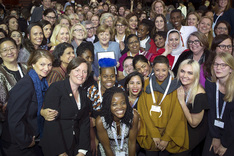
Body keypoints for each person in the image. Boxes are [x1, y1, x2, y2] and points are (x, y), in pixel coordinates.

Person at [1, 49, 53, 155]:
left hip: (31, 139)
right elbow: (14, 118)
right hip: (17, 144)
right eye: (42, 64)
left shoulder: (41, 83)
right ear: (33, 64)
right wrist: (26, 140)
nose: (46, 68)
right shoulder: (26, 85)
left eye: (49, 64)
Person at [137, 55, 189, 155]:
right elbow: (143, 111)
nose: (160, 74)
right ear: (152, 69)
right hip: (150, 134)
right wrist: (154, 134)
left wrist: (165, 138)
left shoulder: (175, 85)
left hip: (169, 136)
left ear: (169, 69)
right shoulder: (146, 84)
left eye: (164, 70)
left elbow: (177, 114)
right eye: (157, 70)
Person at [40, 57, 91, 156]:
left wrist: (82, 150)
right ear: (69, 71)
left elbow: (84, 122)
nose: (81, 74)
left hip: (75, 145)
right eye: (77, 70)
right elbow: (51, 122)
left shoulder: (83, 93)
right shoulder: (56, 88)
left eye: (84, 71)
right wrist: (61, 152)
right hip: (56, 146)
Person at [202, 52, 234, 156]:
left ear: (231, 69)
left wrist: (224, 144)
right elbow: (211, 112)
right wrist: (215, 136)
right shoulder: (210, 83)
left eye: (223, 65)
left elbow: (232, 121)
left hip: (230, 134)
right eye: (216, 64)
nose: (218, 68)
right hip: (214, 129)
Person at [177, 59, 209, 156]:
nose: (185, 76)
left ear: (196, 75)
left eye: (190, 73)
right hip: (182, 126)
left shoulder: (199, 95)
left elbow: (194, 123)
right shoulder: (180, 86)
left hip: (196, 131)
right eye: (182, 71)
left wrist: (182, 102)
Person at [96, 87, 139, 156]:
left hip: (127, 147)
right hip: (109, 151)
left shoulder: (133, 116)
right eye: (114, 104)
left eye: (123, 103)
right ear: (108, 106)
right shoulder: (101, 121)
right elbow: (107, 148)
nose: (120, 107)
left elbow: (132, 143)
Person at [0, 38, 27, 135]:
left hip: (30, 120)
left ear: (17, 49)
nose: (9, 52)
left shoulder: (27, 67)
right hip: (10, 125)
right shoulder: (0, 73)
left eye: (12, 48)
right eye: (4, 50)